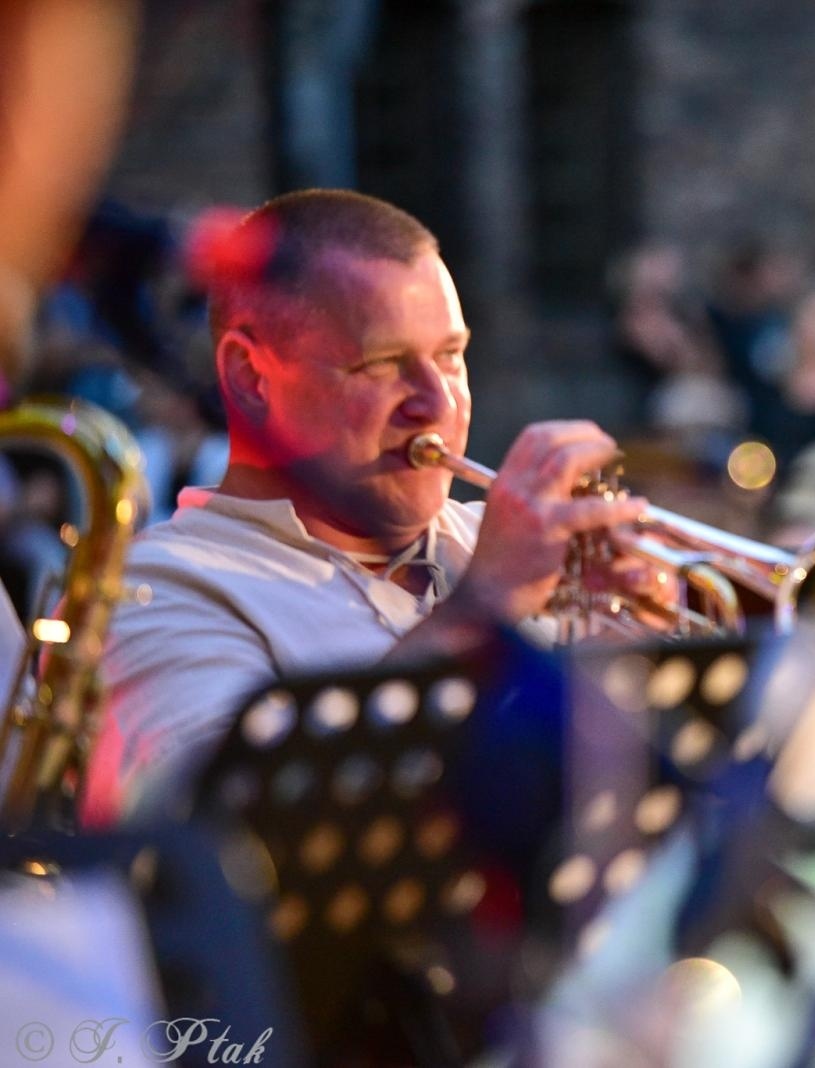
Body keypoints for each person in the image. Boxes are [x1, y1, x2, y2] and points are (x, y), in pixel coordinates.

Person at [80, 190, 649, 826]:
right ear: (249, 376)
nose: (436, 403)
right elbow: (222, 840)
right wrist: (481, 606)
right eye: (381, 364)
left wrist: (634, 641)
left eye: (450, 356)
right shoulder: (153, 592)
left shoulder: (504, 546)